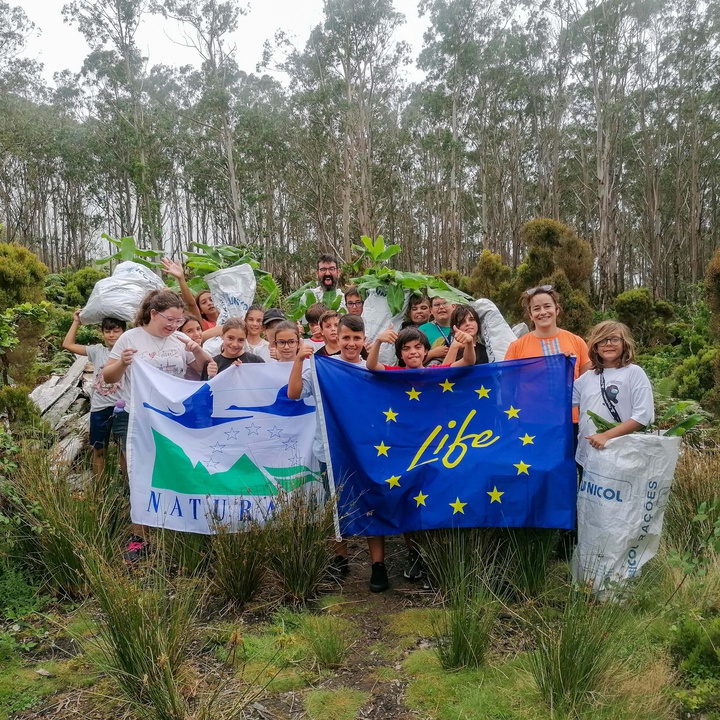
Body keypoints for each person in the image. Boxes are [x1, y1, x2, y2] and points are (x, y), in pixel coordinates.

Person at [103, 289, 213, 563]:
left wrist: (197, 349)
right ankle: (139, 538)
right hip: (136, 417)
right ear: (153, 314)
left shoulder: (179, 339)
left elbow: (205, 369)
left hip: (172, 419)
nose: (173, 326)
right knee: (139, 475)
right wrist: (123, 362)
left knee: (175, 472)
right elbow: (108, 376)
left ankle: (177, 530)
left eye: (177, 321)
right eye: (169, 320)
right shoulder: (131, 337)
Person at [364, 324, 477, 587]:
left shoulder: (436, 373)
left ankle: (432, 558)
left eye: (418, 347)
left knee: (434, 500)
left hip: (437, 450)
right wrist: (379, 343)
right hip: (404, 449)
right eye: (406, 348)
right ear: (400, 354)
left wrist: (468, 342)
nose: (413, 352)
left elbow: (468, 362)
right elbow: (372, 367)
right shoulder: (394, 374)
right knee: (408, 500)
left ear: (426, 351)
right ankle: (413, 553)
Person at [288, 314, 367, 580]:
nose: (351, 343)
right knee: (334, 507)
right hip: (329, 452)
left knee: (369, 502)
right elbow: (294, 393)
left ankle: (377, 564)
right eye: (346, 337)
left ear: (364, 339)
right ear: (336, 337)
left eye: (356, 338)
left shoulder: (371, 369)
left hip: (365, 453)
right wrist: (299, 360)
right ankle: (340, 558)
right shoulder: (323, 367)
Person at [573, 321, 654, 471]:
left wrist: (606, 436)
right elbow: (560, 402)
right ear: (595, 346)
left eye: (615, 339)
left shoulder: (634, 373)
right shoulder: (587, 378)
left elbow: (644, 415)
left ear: (625, 344)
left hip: (623, 456)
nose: (608, 344)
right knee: (588, 495)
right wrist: (560, 364)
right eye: (603, 340)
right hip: (589, 455)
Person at [504, 285, 591, 426]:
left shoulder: (576, 342)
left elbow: (588, 383)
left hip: (570, 422)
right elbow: (507, 388)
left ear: (557, 310)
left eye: (547, 306)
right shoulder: (517, 347)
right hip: (531, 423)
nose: (543, 312)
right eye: (536, 308)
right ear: (531, 314)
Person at [62, 310, 126, 477]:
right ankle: (99, 491)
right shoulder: (97, 351)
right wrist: (76, 321)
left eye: (116, 330)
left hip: (124, 407)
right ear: (102, 333)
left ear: (124, 332)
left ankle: (129, 491)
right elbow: (68, 344)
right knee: (99, 449)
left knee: (125, 451)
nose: (112, 335)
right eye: (108, 331)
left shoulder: (129, 352)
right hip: (100, 408)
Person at [160, 258, 220, 334]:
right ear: (200, 311)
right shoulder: (201, 324)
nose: (209, 303)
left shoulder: (229, 317)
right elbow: (191, 304)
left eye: (211, 299)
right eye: (204, 302)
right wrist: (181, 278)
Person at [419, 296, 456, 363]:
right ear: (431, 310)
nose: (441, 307)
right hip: (431, 372)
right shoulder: (422, 330)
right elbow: (413, 361)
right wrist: (432, 353)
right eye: (437, 305)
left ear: (453, 306)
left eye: (445, 303)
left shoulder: (462, 327)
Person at [178, 316, 205, 380]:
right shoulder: (183, 353)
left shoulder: (206, 347)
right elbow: (202, 369)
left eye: (198, 329)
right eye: (189, 331)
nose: (197, 334)